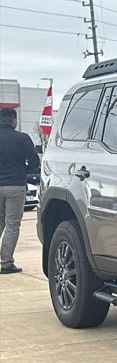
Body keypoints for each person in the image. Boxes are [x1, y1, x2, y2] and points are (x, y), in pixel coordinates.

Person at [0, 107, 40, 274]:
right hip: (15, 185)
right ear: (14, 121)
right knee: (12, 225)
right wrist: (24, 171)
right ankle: (6, 262)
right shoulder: (22, 138)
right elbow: (34, 162)